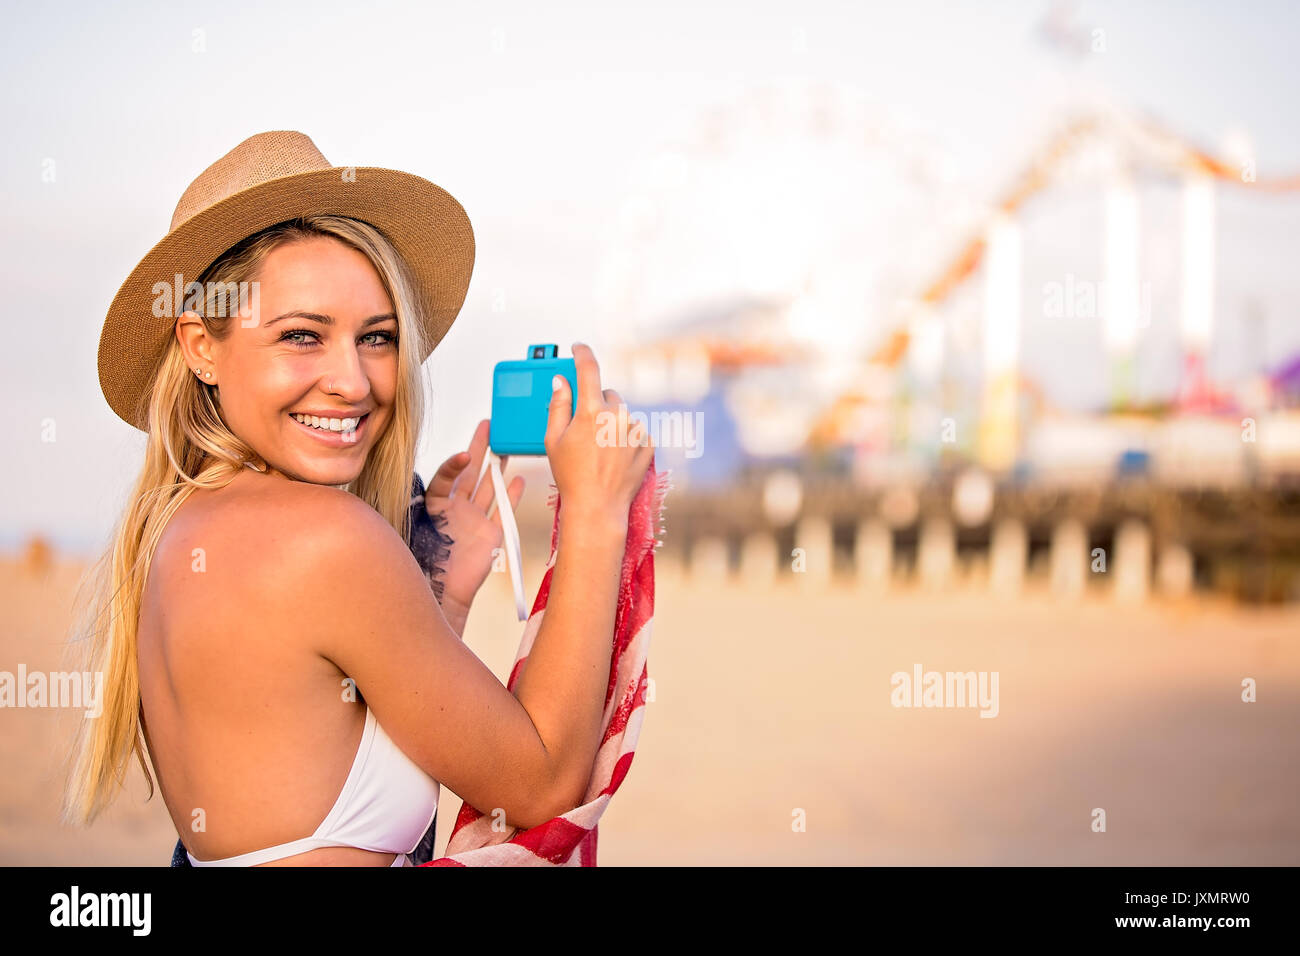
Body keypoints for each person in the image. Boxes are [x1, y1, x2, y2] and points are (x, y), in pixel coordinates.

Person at [63, 130, 654, 867]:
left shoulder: (176, 531)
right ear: (200, 346)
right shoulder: (326, 537)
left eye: (376, 338)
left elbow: (319, 736)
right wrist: (596, 513)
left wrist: (440, 591)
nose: (355, 381)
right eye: (303, 335)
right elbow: (539, 787)